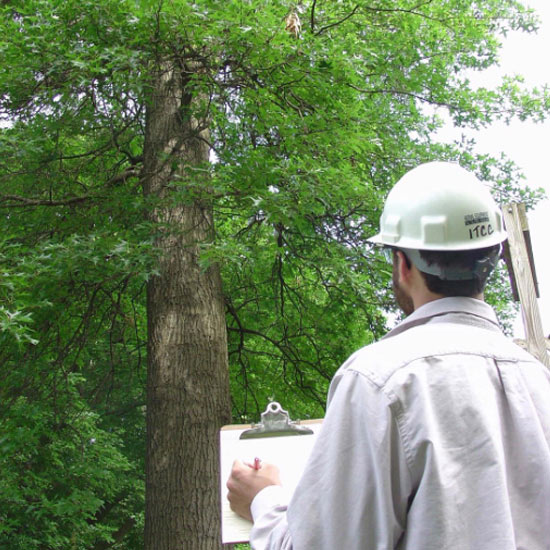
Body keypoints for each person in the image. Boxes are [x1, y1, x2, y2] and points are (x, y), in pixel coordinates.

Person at [226, 161, 550, 550]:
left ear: (403, 263)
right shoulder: (538, 380)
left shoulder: (380, 379)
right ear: (491, 259)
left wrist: (263, 499)